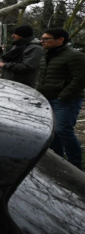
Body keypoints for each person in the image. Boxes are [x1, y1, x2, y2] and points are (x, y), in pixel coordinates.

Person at [36, 28, 85, 169]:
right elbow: (43, 78)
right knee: (52, 131)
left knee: (63, 130)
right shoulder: (46, 55)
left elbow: (80, 79)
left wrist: (63, 95)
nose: (42, 41)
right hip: (47, 98)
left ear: (60, 40)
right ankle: (57, 161)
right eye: (42, 38)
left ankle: (75, 165)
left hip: (66, 100)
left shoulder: (75, 56)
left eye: (46, 39)